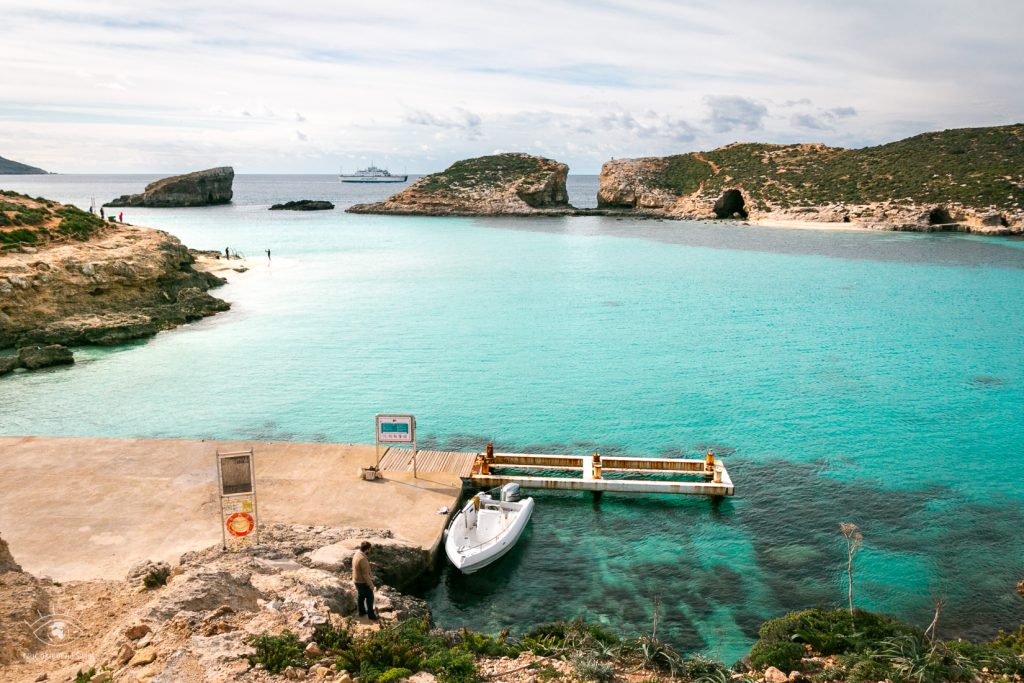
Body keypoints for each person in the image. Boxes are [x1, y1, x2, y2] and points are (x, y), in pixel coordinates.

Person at [352, 541, 377, 620]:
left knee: (361, 596)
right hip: (362, 582)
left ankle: (361, 612)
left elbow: (359, 566)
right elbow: (365, 575)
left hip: (356, 580)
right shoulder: (363, 559)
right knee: (370, 598)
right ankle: (371, 615)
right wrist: (371, 585)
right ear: (367, 549)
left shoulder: (357, 554)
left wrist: (369, 564)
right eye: (369, 549)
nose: (370, 551)